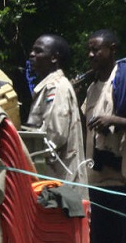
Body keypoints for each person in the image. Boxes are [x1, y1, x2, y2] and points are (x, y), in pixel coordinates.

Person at [83, 29, 126, 243]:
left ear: (112, 50)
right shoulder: (93, 88)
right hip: (99, 182)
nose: (91, 55)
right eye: (89, 51)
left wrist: (114, 121)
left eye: (96, 50)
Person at [24, 34, 88, 197]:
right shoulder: (48, 87)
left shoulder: (56, 88)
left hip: (57, 184)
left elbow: (53, 137)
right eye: (32, 51)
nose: (32, 55)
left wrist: (22, 155)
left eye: (38, 51)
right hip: (52, 182)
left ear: (54, 58)